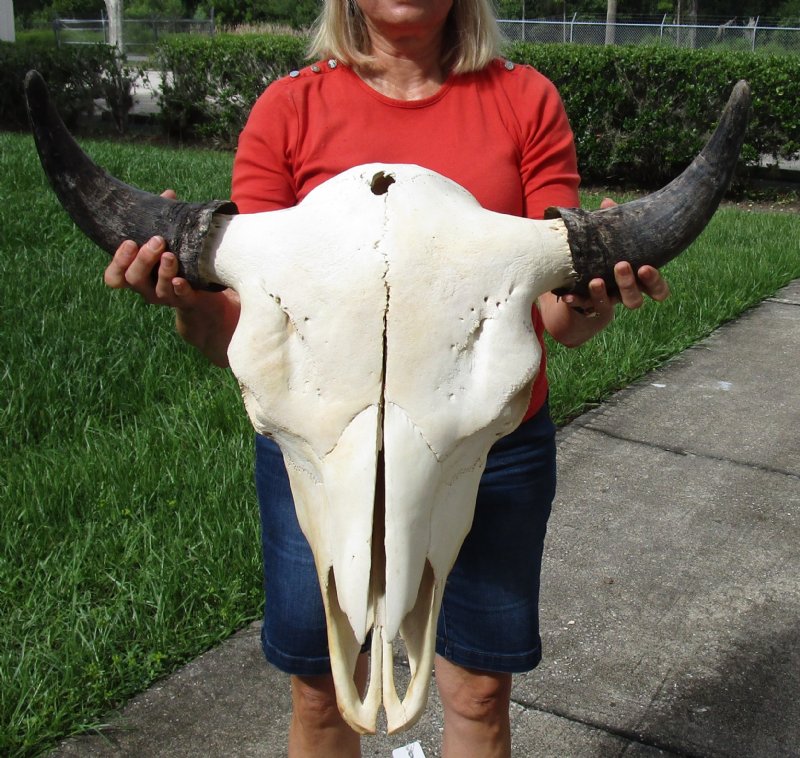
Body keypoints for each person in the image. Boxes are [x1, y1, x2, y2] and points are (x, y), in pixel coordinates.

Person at [104, 2, 669, 755]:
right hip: (316, 452)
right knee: (320, 696)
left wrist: (594, 298)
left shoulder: (524, 100)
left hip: (486, 445)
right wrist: (187, 299)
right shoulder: (290, 109)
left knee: (478, 694)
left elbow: (559, 320)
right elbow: (243, 333)